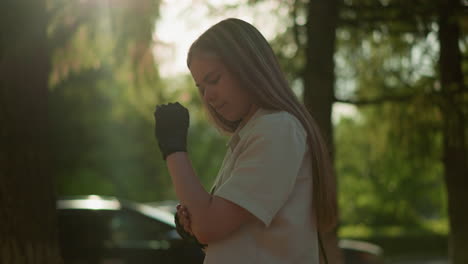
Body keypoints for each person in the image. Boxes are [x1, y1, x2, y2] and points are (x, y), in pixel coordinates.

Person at [154, 18, 337, 264]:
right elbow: (212, 228)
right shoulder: (251, 134)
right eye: (201, 87)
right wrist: (192, 223)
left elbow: (210, 225)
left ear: (247, 67)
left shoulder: (277, 129)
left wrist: (173, 150)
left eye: (214, 79)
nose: (208, 96)